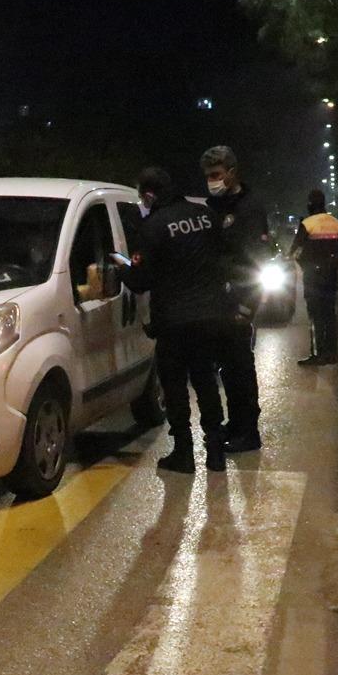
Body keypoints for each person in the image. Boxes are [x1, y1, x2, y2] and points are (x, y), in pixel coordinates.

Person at [117, 167, 226, 473]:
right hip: (209, 315)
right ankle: (216, 450)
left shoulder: (153, 227)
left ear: (150, 194)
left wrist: (121, 270)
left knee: (175, 386)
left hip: (174, 321)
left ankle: (184, 453)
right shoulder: (204, 216)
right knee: (205, 381)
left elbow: (140, 280)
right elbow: (223, 255)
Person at [200, 145, 271, 454]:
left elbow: (259, 261)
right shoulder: (211, 208)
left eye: (216, 175)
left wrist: (248, 306)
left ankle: (249, 431)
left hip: (240, 301)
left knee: (241, 368)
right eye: (208, 176)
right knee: (227, 369)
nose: (212, 181)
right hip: (217, 302)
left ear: (231, 173)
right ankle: (236, 422)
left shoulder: (251, 207)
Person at [289, 189, 338, 365]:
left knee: (315, 315)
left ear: (310, 204)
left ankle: (318, 354)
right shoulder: (335, 223)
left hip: (313, 276)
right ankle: (332, 353)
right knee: (330, 314)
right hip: (331, 276)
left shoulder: (307, 224)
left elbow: (294, 250)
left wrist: (302, 263)